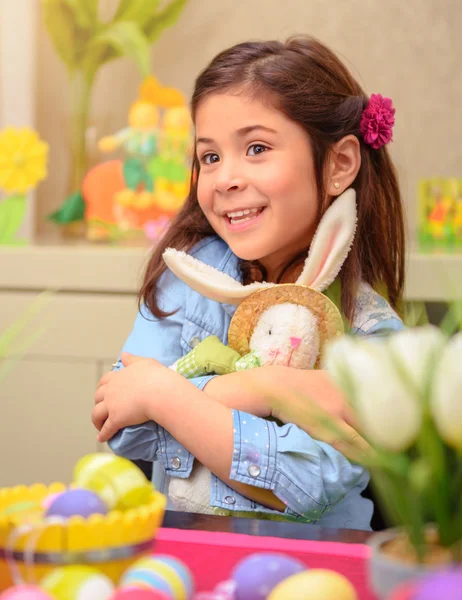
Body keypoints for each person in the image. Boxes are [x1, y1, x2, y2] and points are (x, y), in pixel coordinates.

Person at [92, 36, 405, 530]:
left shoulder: (370, 330)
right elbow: (122, 421)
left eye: (256, 148)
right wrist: (274, 390)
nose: (224, 178)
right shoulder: (191, 278)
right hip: (188, 565)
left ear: (339, 164)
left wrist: (167, 394)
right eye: (210, 157)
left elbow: (306, 485)